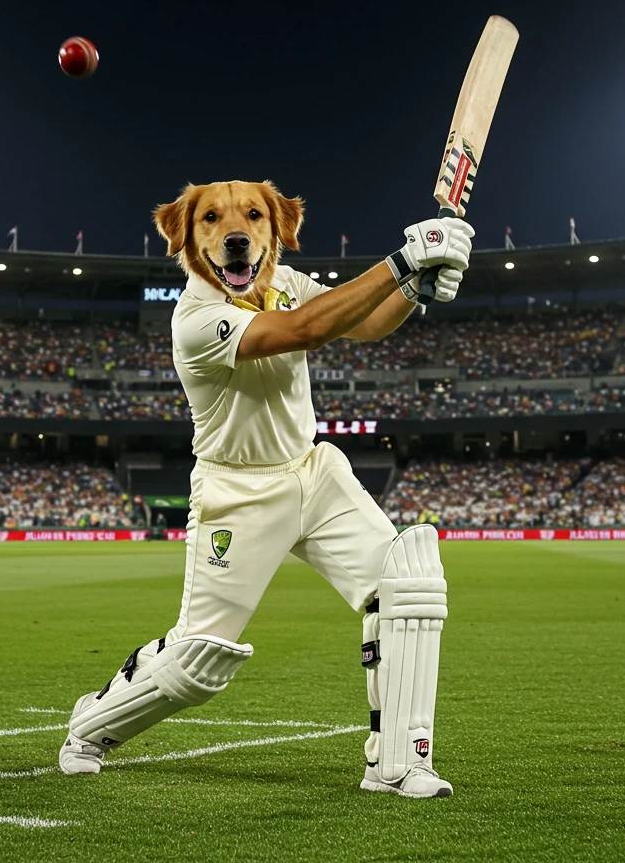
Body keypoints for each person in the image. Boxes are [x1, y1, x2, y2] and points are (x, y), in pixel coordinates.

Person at [59, 181, 471, 798]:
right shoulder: (196, 318)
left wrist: (416, 288)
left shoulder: (285, 280)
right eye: (212, 221)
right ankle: (90, 726)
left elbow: (368, 324)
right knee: (200, 659)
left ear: (277, 229)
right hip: (238, 492)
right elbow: (301, 332)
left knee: (407, 583)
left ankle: (397, 763)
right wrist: (402, 262)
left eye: (253, 217)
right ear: (184, 234)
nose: (235, 232)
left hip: (312, 471)